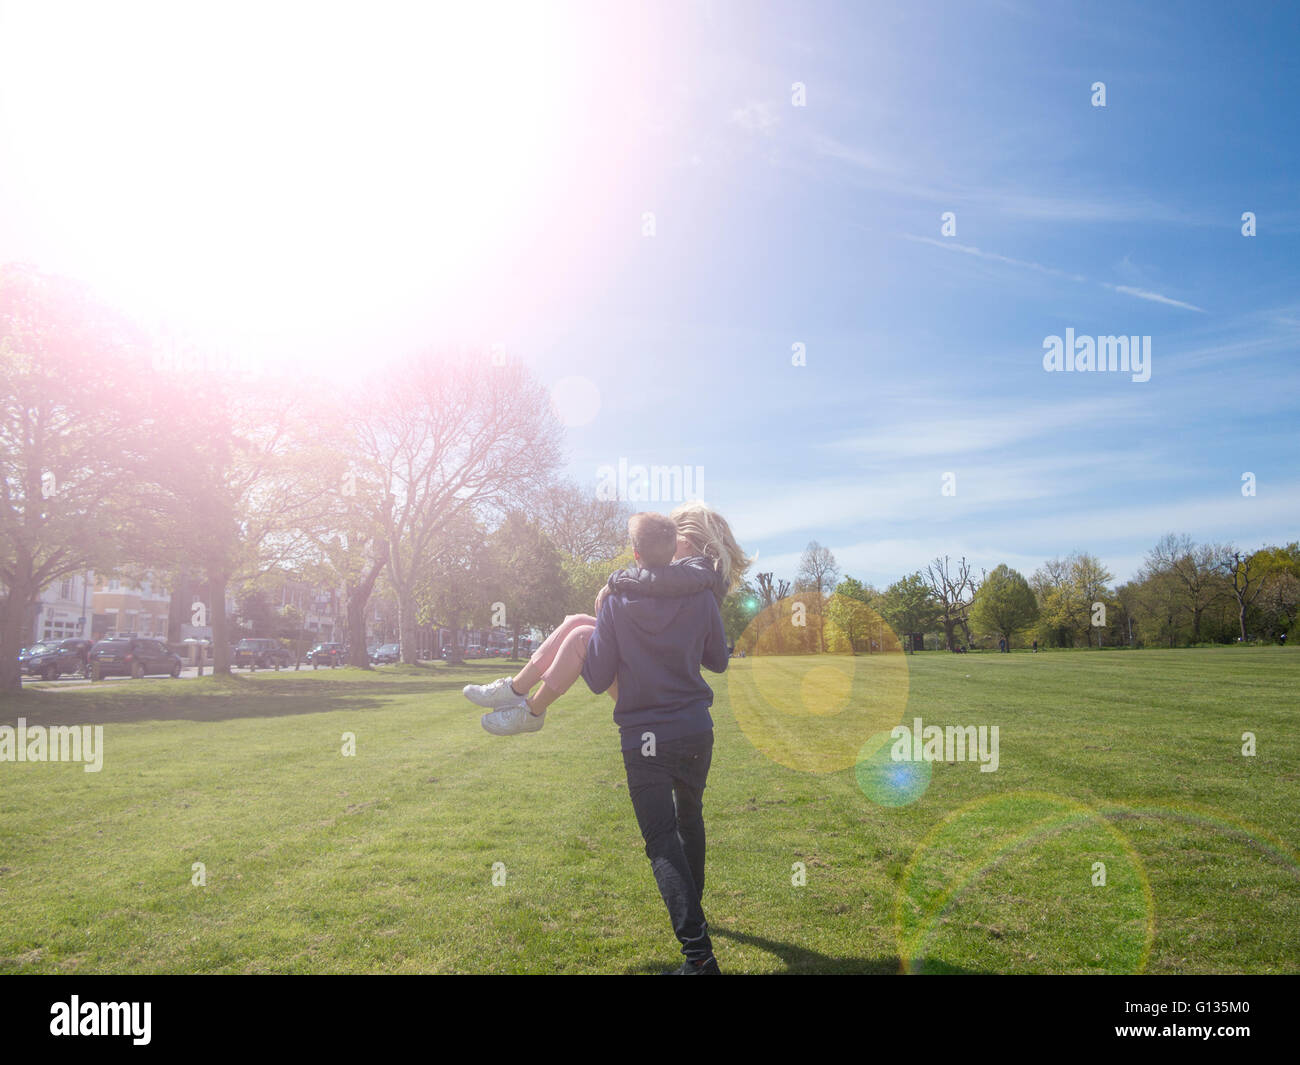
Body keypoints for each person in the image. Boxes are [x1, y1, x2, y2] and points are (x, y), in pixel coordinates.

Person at [585, 511, 728, 974]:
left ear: (637, 552)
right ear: (674, 549)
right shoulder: (702, 594)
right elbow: (719, 661)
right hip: (693, 729)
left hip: (643, 735)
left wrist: (586, 640)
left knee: (661, 841)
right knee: (690, 820)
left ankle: (698, 956)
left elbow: (596, 678)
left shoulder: (616, 599)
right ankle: (696, 922)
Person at [466, 501, 749, 735]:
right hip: (650, 667)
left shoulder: (697, 574)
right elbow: (657, 580)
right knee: (576, 621)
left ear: (685, 541)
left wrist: (618, 580)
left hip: (651, 681)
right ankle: (514, 689)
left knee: (580, 638)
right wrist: (619, 583)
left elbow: (657, 579)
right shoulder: (690, 576)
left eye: (672, 539)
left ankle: (532, 711)